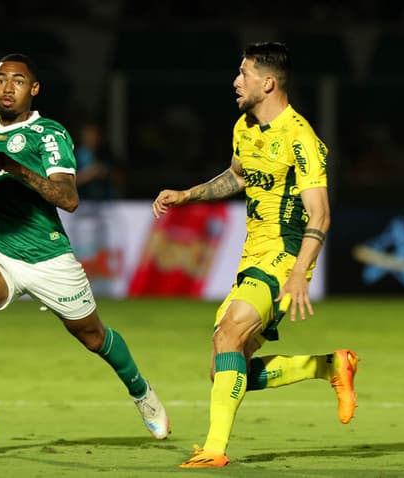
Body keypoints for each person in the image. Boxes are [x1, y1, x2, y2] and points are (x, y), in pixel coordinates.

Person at [0, 53, 169, 440]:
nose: (8, 87)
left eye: (18, 80)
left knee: (93, 336)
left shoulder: (49, 134)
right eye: (1, 79)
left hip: (48, 258)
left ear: (34, 89)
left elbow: (69, 198)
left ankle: (142, 392)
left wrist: (19, 169)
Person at [151, 42, 358, 468]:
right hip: (251, 258)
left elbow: (320, 212)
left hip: (284, 256)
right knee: (225, 369)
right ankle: (328, 366)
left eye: (243, 73)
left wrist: (299, 273)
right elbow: (237, 176)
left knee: (228, 336)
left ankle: (214, 450)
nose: (235, 81)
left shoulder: (300, 138)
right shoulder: (244, 127)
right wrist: (187, 195)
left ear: (267, 82)